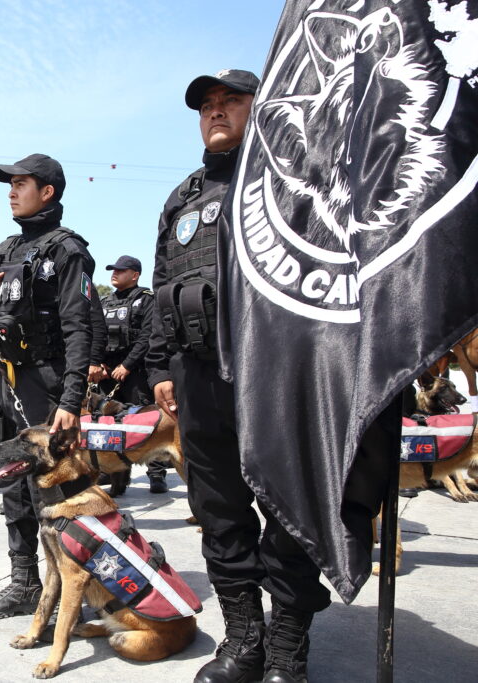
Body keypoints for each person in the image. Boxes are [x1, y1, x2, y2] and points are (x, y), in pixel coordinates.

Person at [145, 69, 325, 683]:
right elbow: (161, 283)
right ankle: (244, 640)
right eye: (207, 105)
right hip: (198, 376)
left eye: (231, 101)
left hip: (273, 373)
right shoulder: (182, 196)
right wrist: (160, 365)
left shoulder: (291, 179)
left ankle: (286, 646)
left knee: (287, 508)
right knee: (218, 510)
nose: (216, 112)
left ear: (260, 106)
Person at [0, 154, 95, 620]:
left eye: (20, 183)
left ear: (48, 192)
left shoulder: (68, 250)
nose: (11, 191)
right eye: (10, 184)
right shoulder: (2, 251)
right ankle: (23, 584)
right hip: (1, 380)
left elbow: (80, 328)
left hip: (45, 382)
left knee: (58, 491)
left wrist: (72, 398)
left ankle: (74, 593)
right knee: (13, 487)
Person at [89, 255, 165, 496]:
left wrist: (128, 365)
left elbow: (147, 336)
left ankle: (156, 472)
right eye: (113, 269)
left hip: (134, 373)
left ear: (134, 275)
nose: (115, 273)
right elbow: (97, 334)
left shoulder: (146, 300)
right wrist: (97, 363)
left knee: (145, 421)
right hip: (107, 373)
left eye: (121, 270)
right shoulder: (104, 301)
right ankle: (112, 472)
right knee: (106, 424)